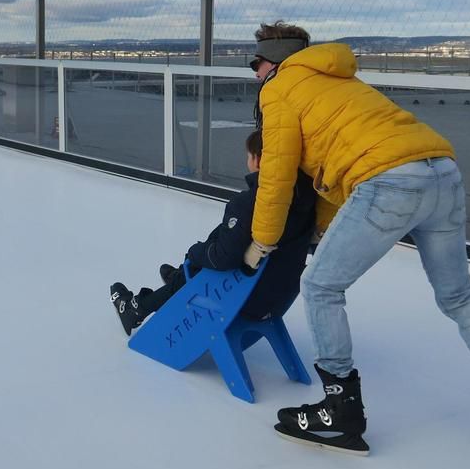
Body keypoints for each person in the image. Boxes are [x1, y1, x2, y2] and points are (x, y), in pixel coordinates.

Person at [245, 21, 470, 456]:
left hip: (390, 183)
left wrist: (262, 241)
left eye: (255, 63)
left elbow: (277, 174)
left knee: (320, 286)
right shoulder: (339, 78)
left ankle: (340, 409)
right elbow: (336, 171)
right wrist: (326, 231)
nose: (254, 72)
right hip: (441, 170)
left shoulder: (279, 89)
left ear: (274, 61)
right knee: (458, 295)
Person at [110, 130, 316, 335]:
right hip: (275, 298)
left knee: (203, 261)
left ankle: (137, 308)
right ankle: (180, 277)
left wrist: (194, 252)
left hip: (242, 299)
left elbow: (222, 259)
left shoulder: (249, 204)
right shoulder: (306, 203)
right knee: (223, 240)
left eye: (248, 156)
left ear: (259, 161)